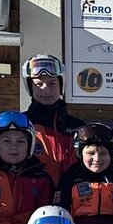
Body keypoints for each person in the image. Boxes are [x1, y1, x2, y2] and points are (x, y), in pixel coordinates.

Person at [57, 123, 113, 224]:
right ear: (80, 153)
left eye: (103, 154)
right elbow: (60, 212)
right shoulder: (71, 178)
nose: (97, 159)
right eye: (90, 153)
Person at [21, 54, 84, 186]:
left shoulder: (77, 128)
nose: (46, 89)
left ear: (61, 85)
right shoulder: (21, 124)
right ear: (30, 87)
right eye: (38, 84)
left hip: (69, 199)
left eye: (52, 83)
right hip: (31, 199)